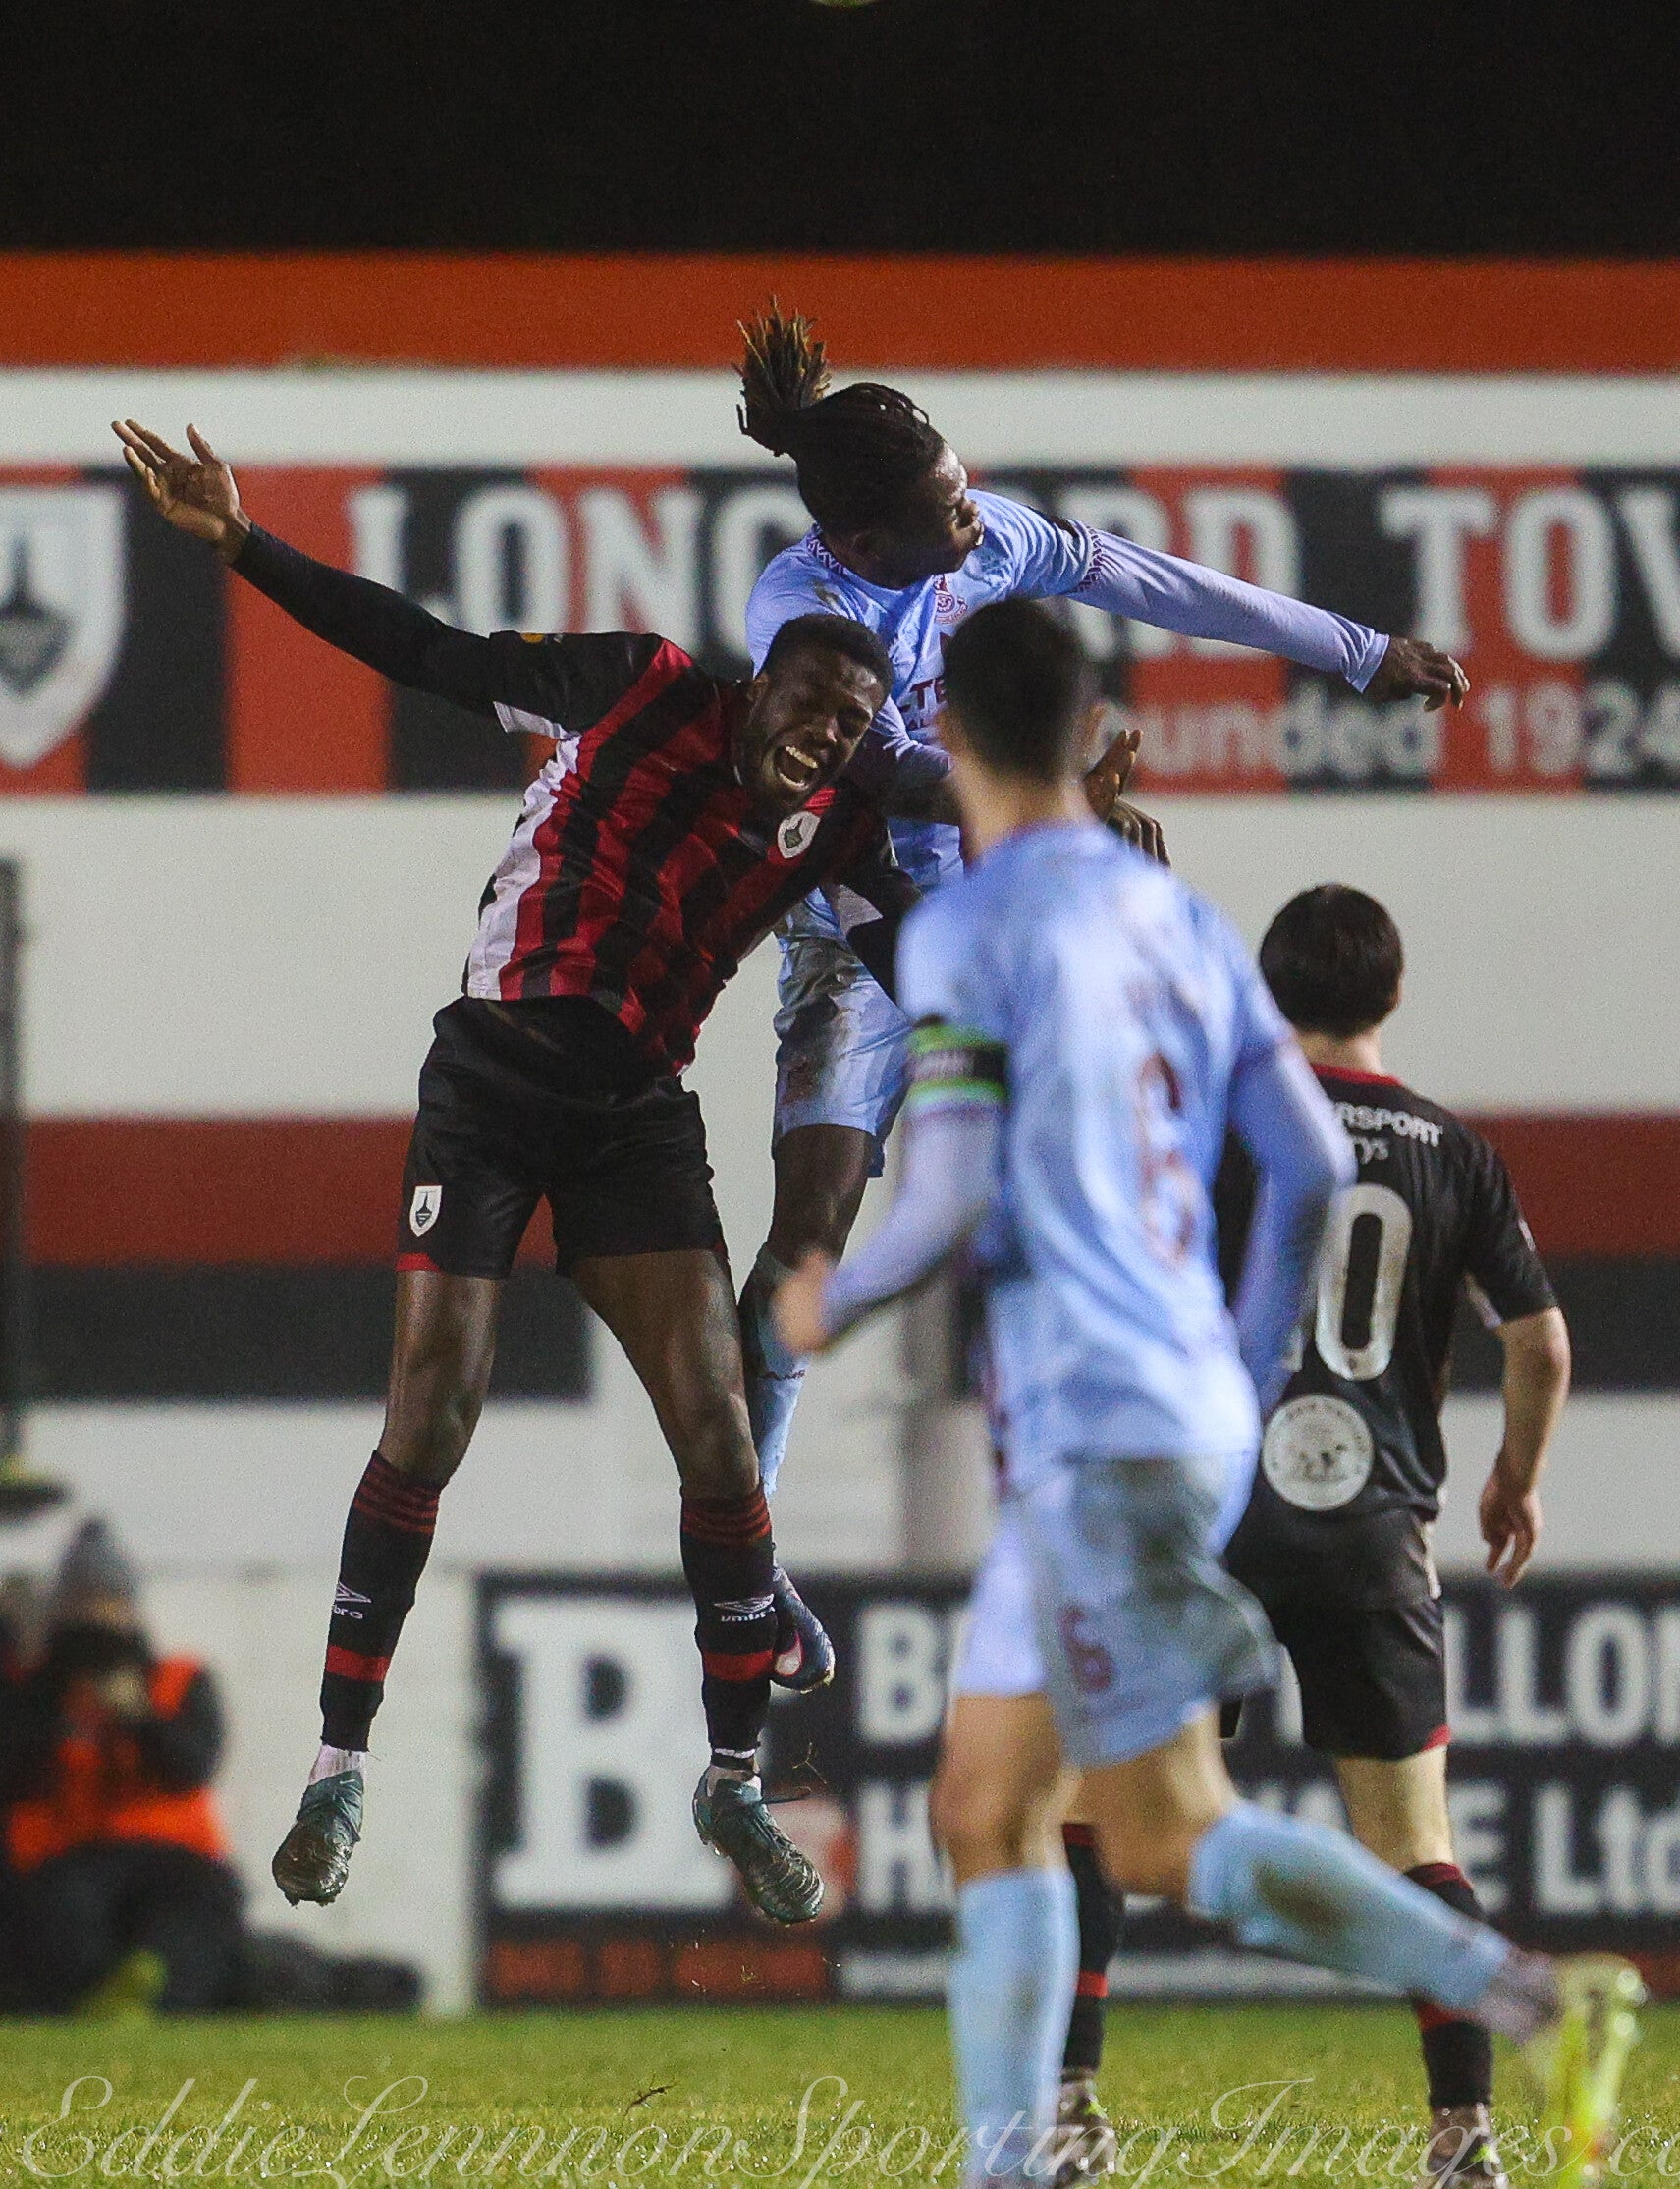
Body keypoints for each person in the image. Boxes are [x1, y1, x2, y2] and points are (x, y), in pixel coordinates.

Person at [775, 599, 1640, 2189]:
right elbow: (1304, 1159)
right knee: (988, 1803)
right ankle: (1028, 2156)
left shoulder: (971, 927)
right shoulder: (1174, 921)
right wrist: (1234, 1371)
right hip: (1168, 1416)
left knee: (1152, 1829)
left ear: (944, 737)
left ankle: (1520, 1998)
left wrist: (827, 1295)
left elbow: (949, 1189)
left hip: (1095, 1421)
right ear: (1082, 728)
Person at [116, 416, 923, 1931]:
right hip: (490, 1079)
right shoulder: (643, 684)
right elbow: (427, 651)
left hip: (632, 1113)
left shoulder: (839, 829)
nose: (824, 736)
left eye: (850, 725)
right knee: (435, 1410)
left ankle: (732, 1783)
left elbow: (940, 962)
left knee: (718, 1433)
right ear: (761, 684)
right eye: (813, 703)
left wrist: (1080, 887)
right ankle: (337, 1767)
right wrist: (242, 543)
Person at [732, 301, 1468, 1520]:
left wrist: (1352, 647)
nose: (975, 518)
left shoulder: (984, 540)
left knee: (1089, 1163)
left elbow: (1148, 580)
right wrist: (1057, 801)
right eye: (946, 509)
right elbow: (877, 770)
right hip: (865, 921)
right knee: (809, 1228)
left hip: (1001, 901)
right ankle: (744, 1545)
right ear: (862, 541)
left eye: (965, 489)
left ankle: (1148, 1427)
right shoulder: (799, 609)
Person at [1216, 885, 1572, 2188]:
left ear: (1265, 998)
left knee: (1108, 1808)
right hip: (1370, 1525)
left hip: (1212, 1515)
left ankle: (1068, 2105)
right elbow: (1539, 1343)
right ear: (1394, 993)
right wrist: (1511, 1479)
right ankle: (1461, 2134)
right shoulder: (1451, 1151)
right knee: (1413, 1842)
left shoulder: (1225, 1121)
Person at [0, 1520, 243, 2013]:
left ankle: (154, 1989)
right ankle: (96, 1993)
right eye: (82, 1603)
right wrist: (52, 1702)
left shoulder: (179, 1679)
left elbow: (192, 1767)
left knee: (196, 1914)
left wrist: (139, 1719)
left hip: (177, 1857)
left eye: (107, 1601)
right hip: (73, 1859)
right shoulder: (35, 1691)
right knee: (60, 1916)